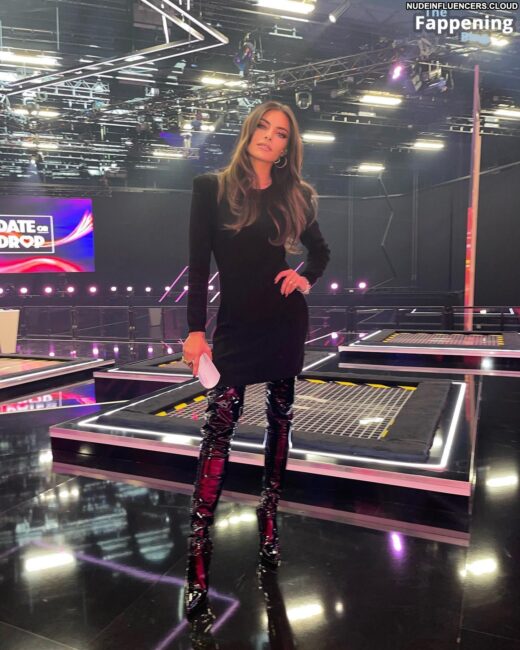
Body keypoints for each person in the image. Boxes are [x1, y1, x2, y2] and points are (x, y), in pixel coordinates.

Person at [182, 100, 331, 620]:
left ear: (289, 146)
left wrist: (304, 276)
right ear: (249, 132)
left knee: (280, 422)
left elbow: (320, 252)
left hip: (284, 322)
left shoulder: (295, 194)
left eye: (281, 133)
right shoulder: (211, 188)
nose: (270, 137)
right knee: (217, 433)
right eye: (264, 128)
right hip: (235, 329)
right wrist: (195, 330)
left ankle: (269, 525)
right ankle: (197, 564)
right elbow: (198, 264)